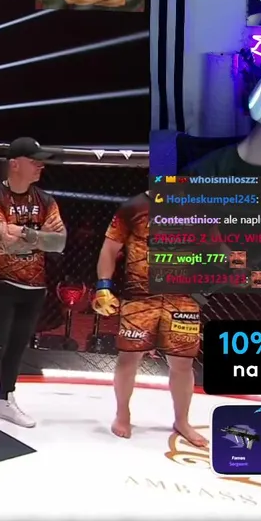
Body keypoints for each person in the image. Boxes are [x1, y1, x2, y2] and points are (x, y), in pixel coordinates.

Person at [92, 192, 209, 449]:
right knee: (129, 357)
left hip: (182, 297)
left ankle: (182, 421)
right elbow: (110, 248)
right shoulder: (134, 207)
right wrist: (103, 286)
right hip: (140, 296)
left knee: (183, 362)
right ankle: (122, 413)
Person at [0, 138, 68, 441]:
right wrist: (38, 235)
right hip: (1, 283)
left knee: (17, 347)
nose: (41, 165)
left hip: (35, 285)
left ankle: (5, 399)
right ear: (14, 164)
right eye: (34, 160)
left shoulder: (46, 200)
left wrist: (21, 233)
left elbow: (59, 242)